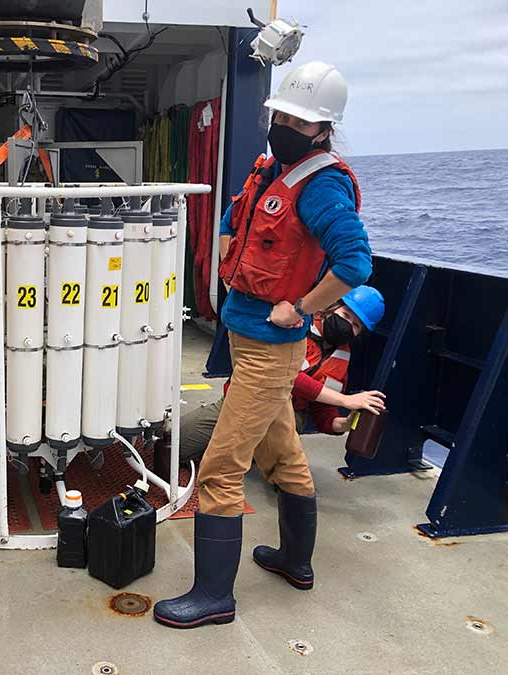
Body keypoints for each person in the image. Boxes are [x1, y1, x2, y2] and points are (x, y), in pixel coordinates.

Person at [154, 61, 373, 629]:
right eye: (281, 113)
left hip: (272, 347)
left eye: (298, 119)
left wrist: (301, 305)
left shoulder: (322, 184)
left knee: (222, 467)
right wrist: (229, 251)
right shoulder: (270, 167)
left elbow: (354, 263)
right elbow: (235, 217)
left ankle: (213, 597)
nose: (283, 124)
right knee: (283, 454)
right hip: (246, 335)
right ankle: (296, 563)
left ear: (322, 129)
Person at [152, 285, 387, 478]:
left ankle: (257, 453)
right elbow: (288, 376)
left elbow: (323, 414)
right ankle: (249, 449)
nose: (349, 326)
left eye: (356, 326)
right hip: (243, 401)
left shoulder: (341, 361)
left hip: (285, 416)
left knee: (270, 473)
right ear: (331, 307)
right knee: (172, 448)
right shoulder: (296, 324)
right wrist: (346, 399)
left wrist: (344, 424)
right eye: (346, 315)